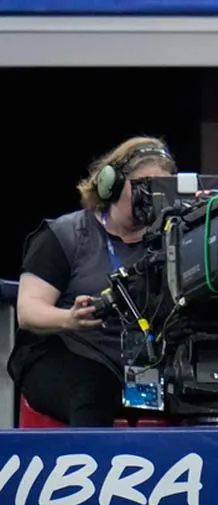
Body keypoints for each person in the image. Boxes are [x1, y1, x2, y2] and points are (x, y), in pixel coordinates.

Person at [6, 137, 176, 426]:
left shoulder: (175, 238)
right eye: (142, 186)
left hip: (146, 358)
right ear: (110, 185)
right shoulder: (66, 234)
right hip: (68, 351)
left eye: (161, 188)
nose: (152, 197)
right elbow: (28, 311)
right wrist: (68, 318)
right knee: (93, 393)